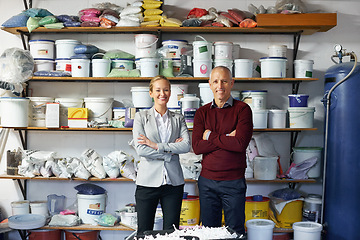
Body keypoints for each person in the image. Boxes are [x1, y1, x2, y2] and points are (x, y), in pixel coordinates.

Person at [192, 66, 253, 235]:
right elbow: (197, 147)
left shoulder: (243, 110)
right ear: (210, 84)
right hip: (207, 182)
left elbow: (240, 144)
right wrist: (227, 137)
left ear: (232, 83)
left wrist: (210, 136)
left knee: (235, 231)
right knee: (209, 232)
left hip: (233, 182)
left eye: (225, 81)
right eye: (216, 81)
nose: (220, 85)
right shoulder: (201, 113)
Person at [132, 75, 191, 235]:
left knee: (172, 233)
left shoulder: (178, 118)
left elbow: (186, 145)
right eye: (158, 90)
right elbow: (141, 150)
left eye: (166, 90)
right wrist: (170, 151)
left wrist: (155, 145)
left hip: (173, 183)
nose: (162, 94)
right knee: (144, 232)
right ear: (151, 93)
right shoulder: (141, 117)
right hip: (147, 182)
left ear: (170, 92)